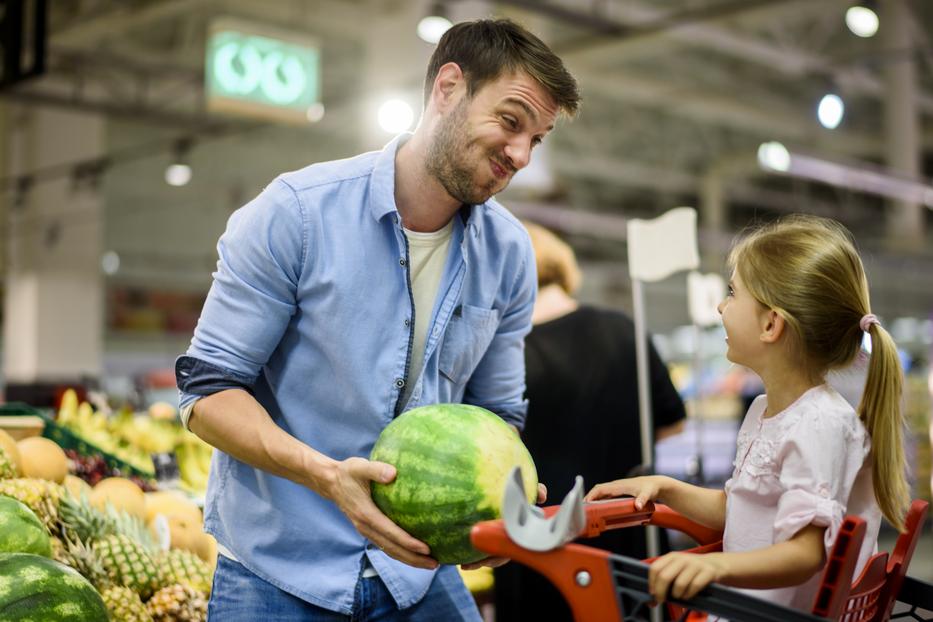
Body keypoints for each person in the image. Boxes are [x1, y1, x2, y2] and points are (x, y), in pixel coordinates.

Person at [174, 19, 579, 621]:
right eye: (511, 121)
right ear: (448, 88)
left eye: (537, 139)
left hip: (416, 575)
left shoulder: (511, 254)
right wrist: (327, 476)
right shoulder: (297, 215)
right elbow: (207, 392)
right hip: (281, 571)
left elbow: (498, 413)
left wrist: (502, 503)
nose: (520, 154)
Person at [585, 214, 909, 613]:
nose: (721, 306)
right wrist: (666, 488)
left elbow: (804, 553)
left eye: (733, 292)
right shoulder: (766, 409)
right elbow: (740, 510)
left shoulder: (817, 424)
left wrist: (715, 565)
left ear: (771, 324)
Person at [493, 222, 687, 621]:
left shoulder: (503, 353)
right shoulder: (624, 329)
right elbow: (672, 423)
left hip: (537, 543)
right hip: (631, 534)